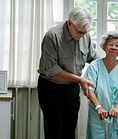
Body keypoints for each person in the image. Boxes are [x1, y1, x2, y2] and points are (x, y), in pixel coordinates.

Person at [37, 6, 99, 139]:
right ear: (69, 23)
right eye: (79, 32)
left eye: (85, 32)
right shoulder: (52, 36)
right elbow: (52, 70)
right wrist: (80, 80)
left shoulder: (84, 35)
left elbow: (93, 58)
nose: (82, 36)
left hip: (72, 88)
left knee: (70, 130)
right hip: (51, 88)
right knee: (54, 131)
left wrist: (110, 64)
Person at [83, 30, 118, 139]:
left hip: (115, 112)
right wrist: (98, 107)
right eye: (111, 44)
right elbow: (89, 90)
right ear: (104, 47)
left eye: (117, 46)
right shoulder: (94, 66)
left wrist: (117, 109)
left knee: (114, 135)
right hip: (96, 112)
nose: (114, 47)